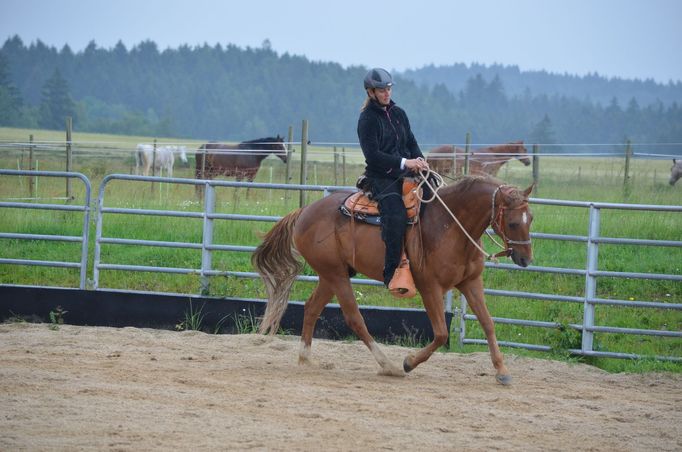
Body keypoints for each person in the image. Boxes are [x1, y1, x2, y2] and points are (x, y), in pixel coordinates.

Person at [357, 67, 429, 292]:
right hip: (381, 177)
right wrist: (404, 163)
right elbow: (373, 156)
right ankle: (392, 272)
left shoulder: (399, 113)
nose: (386, 93)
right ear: (371, 92)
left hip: (408, 173)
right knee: (396, 214)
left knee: (435, 198)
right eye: (381, 90)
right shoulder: (367, 119)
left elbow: (411, 141)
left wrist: (420, 160)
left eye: (388, 88)